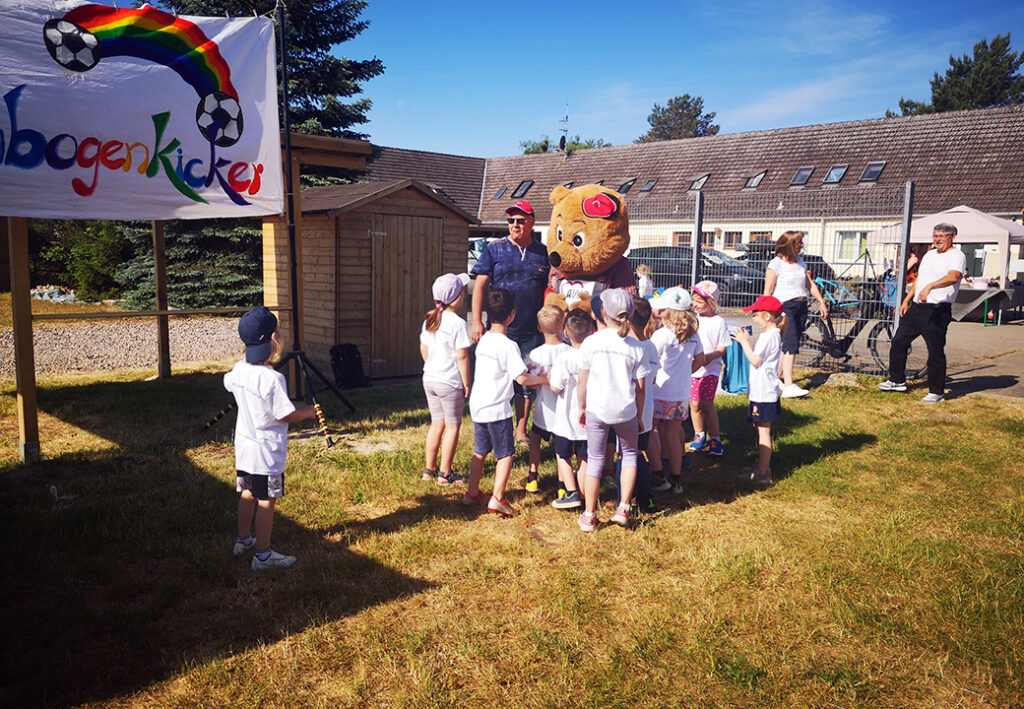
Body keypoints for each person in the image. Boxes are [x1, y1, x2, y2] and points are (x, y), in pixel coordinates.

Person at [225, 307, 315, 572]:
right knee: (267, 501)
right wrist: (307, 413)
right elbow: (284, 414)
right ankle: (263, 555)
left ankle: (243, 541)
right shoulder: (273, 379)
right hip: (267, 454)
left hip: (245, 450)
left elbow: (227, 382)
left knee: (247, 493)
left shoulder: (238, 371)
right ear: (273, 341)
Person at [470, 200, 549, 444]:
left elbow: (550, 287)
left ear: (532, 222)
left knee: (526, 382)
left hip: (531, 329)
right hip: (501, 329)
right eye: (511, 220)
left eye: (520, 220)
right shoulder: (495, 249)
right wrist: (476, 321)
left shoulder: (542, 252)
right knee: (497, 379)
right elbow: (480, 285)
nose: (515, 224)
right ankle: (494, 425)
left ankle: (521, 429)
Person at [464, 288, 548, 517]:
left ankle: (471, 493)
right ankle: (498, 498)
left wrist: (524, 370)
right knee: (505, 454)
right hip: (497, 409)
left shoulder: (483, 342)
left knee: (480, 451)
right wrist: (543, 379)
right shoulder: (508, 345)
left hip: (479, 405)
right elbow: (522, 379)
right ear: (512, 314)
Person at [576, 288, 649, 531]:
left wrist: (581, 407)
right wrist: (639, 416)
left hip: (597, 409)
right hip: (626, 410)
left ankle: (589, 514)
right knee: (629, 455)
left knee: (595, 459)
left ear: (601, 313)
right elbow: (640, 388)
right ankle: (624, 508)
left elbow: (582, 382)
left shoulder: (590, 343)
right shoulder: (636, 347)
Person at [878, 223, 966, 403]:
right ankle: (897, 380)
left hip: (937, 310)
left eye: (942, 236)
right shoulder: (929, 255)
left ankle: (936, 392)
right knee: (899, 341)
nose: (937, 239)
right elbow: (920, 279)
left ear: (952, 237)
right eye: (935, 236)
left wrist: (931, 287)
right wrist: (906, 300)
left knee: (935, 350)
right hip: (917, 307)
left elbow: (954, 277)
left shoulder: (957, 256)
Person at [648, 287, 705, 495]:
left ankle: (658, 474)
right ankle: (676, 480)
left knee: (652, 431)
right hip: (680, 394)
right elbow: (700, 359)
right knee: (673, 436)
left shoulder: (661, 335)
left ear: (669, 311)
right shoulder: (693, 334)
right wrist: (685, 373)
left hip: (658, 392)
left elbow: (651, 361)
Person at [420, 273, 472, 486]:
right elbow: (462, 356)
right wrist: (466, 382)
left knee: (436, 424)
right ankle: (445, 474)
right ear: (459, 297)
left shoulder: (430, 319)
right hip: (449, 383)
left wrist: (431, 366)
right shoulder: (458, 323)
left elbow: (424, 349)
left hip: (430, 379)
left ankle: (428, 471)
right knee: (452, 426)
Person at [762, 231, 828, 398]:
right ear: (790, 244)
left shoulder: (800, 262)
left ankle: (775, 378)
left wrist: (821, 301)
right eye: (799, 242)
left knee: (790, 344)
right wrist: (769, 314)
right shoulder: (776, 264)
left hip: (801, 305)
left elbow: (809, 284)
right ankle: (789, 385)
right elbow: (767, 292)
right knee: (791, 343)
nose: (802, 245)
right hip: (784, 306)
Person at [731, 295, 786, 485]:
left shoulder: (767, 336)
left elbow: (755, 361)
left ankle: (763, 472)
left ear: (768, 316)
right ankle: (761, 464)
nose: (753, 317)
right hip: (764, 390)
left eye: (755, 314)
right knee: (759, 427)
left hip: (764, 392)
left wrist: (743, 341)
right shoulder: (774, 334)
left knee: (763, 431)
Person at [548, 309, 594, 510]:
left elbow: (556, 387)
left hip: (565, 420)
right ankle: (584, 496)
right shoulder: (595, 356)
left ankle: (571, 492)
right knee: (584, 458)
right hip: (588, 418)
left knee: (562, 455)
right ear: (592, 331)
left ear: (565, 333)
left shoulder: (564, 358)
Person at [525, 305, 570, 493]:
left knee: (535, 439)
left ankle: (533, 476)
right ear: (563, 326)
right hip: (564, 410)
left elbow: (532, 385)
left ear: (539, 327)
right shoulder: (569, 351)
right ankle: (562, 485)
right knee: (563, 449)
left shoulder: (536, 354)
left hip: (544, 410)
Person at [687, 281, 730, 456]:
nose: (694, 304)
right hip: (693, 368)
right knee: (694, 404)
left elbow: (722, 348)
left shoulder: (719, 322)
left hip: (710, 369)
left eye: (699, 301)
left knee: (706, 403)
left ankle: (715, 438)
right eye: (693, 300)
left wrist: (707, 358)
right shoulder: (692, 319)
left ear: (710, 302)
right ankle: (699, 435)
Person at [626, 296, 659, 513]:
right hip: (646, 411)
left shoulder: (627, 348)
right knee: (638, 453)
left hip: (630, 411)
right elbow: (653, 379)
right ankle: (645, 500)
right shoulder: (651, 347)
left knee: (628, 456)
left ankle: (626, 500)